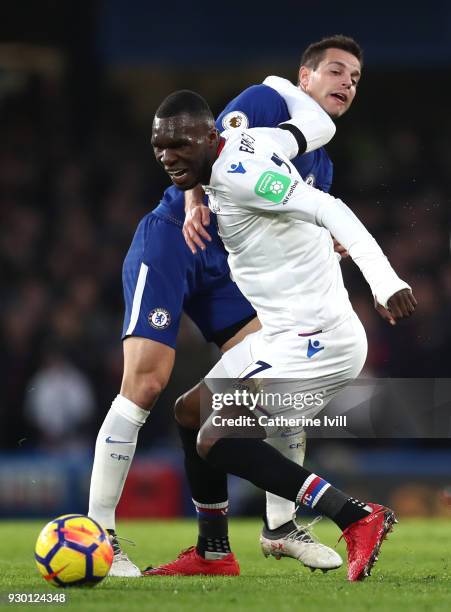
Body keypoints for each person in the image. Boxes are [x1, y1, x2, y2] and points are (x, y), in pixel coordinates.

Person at [88, 35, 361, 578]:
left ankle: (275, 531)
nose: (346, 84)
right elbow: (204, 147)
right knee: (144, 385)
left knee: (269, 388)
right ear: (304, 77)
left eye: (355, 78)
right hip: (174, 242)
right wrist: (192, 201)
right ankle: (101, 535)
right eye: (335, 72)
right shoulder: (266, 102)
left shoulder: (321, 160)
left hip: (230, 269)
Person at [148, 88, 416, 581]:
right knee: (189, 412)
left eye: (180, 145)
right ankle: (212, 554)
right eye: (160, 146)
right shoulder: (249, 140)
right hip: (282, 332)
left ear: (210, 137)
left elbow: (331, 209)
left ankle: (355, 516)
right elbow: (316, 127)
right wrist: (288, 84)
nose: (169, 157)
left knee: (219, 437)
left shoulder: (244, 175)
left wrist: (385, 281)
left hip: (318, 340)